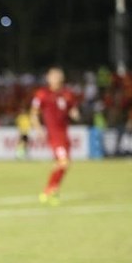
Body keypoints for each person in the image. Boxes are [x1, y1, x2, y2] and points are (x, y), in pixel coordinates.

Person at [30, 67, 80, 206]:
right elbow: (34, 113)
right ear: (48, 78)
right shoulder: (42, 94)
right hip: (54, 134)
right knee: (64, 162)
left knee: (62, 164)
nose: (56, 78)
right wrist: (38, 128)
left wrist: (75, 114)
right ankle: (49, 190)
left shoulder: (67, 94)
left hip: (65, 134)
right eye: (53, 76)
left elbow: (72, 109)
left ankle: (52, 190)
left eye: (58, 75)